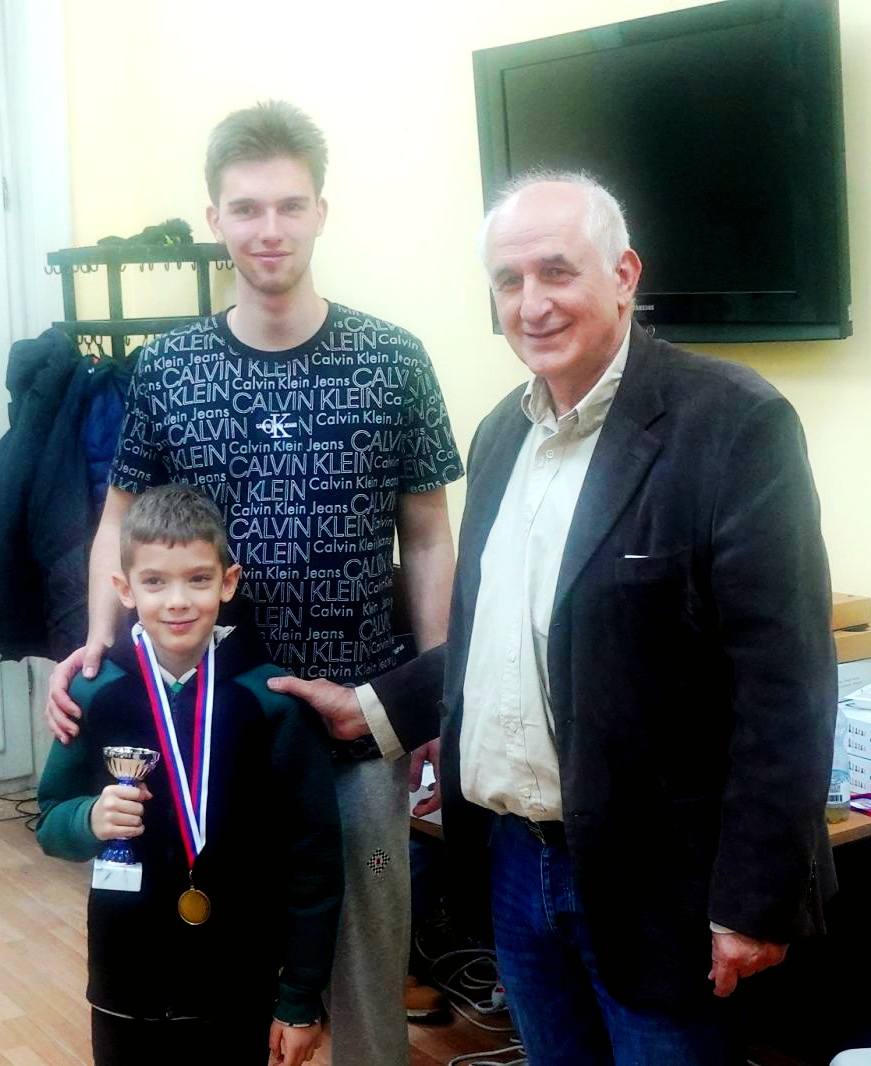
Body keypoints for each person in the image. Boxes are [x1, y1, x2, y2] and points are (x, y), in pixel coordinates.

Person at [269, 171, 838, 1065]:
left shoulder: (731, 424)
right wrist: (372, 710)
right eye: (508, 280)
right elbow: (501, 633)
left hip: (663, 885)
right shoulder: (503, 435)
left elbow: (785, 688)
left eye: (556, 271)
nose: (531, 303)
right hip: (513, 868)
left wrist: (754, 899)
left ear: (624, 275)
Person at [44, 101, 462, 1065]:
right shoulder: (168, 368)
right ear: (215, 218)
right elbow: (118, 520)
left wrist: (432, 689)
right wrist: (100, 638)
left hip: (357, 721)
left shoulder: (394, 360)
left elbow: (428, 536)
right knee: (212, 972)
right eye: (245, 208)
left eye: (288, 205)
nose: (268, 229)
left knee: (361, 978)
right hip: (207, 730)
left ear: (321, 212)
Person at [37, 484, 343, 1066]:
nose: (177, 601)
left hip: (238, 982)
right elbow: (51, 823)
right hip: (125, 983)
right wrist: (89, 818)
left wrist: (300, 998)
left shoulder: (273, 701)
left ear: (228, 582)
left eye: (198, 579)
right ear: (125, 589)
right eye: (154, 581)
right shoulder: (93, 694)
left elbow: (315, 858)